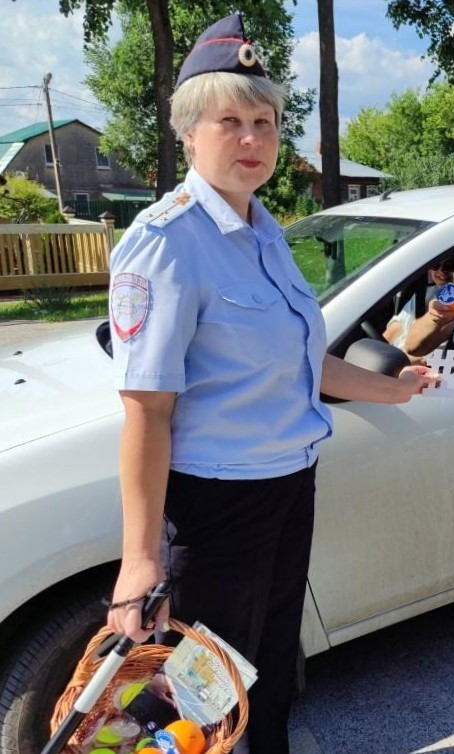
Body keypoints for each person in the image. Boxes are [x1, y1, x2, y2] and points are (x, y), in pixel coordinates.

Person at [104, 14, 434, 754]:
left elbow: (303, 361)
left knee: (270, 663)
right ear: (189, 131)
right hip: (218, 501)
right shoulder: (166, 242)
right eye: (230, 121)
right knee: (194, 684)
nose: (252, 139)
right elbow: (147, 411)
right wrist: (140, 558)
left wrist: (396, 386)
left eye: (265, 121)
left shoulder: (266, 234)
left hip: (289, 483)